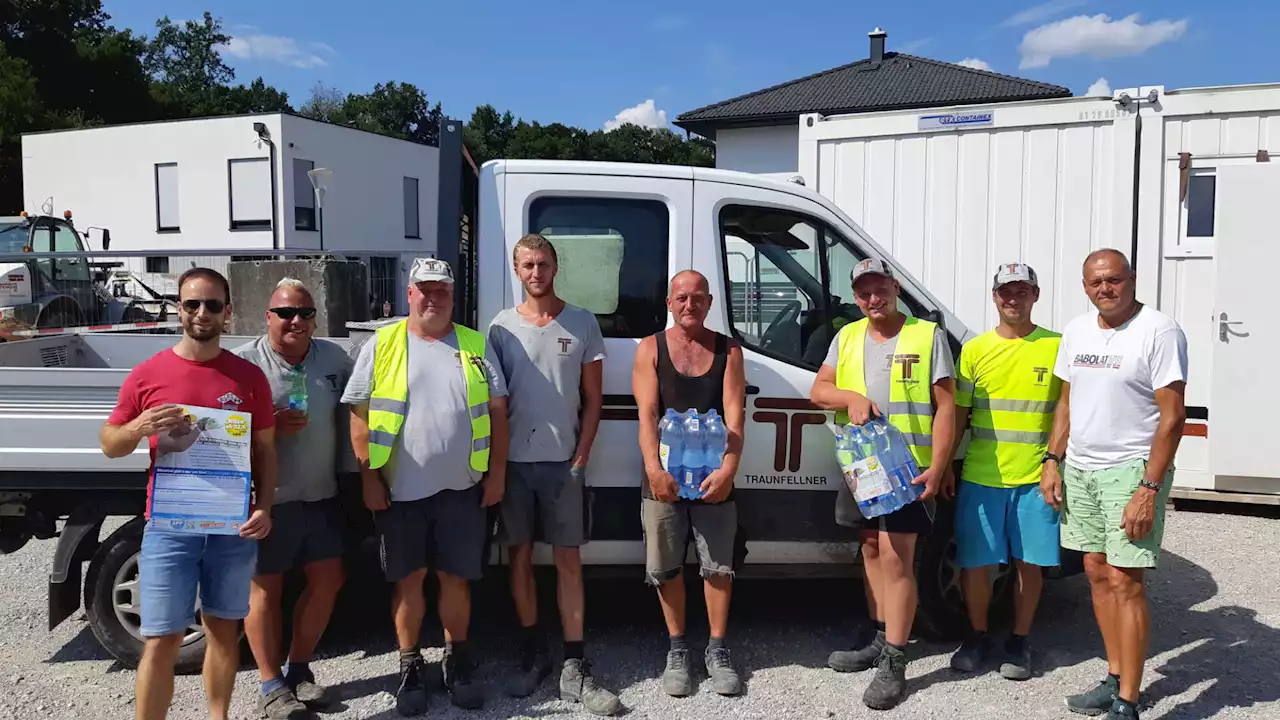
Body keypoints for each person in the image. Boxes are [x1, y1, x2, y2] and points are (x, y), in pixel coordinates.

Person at [99, 268, 277, 720]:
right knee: (162, 639)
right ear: (178, 309)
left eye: (213, 305)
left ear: (228, 312)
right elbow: (110, 444)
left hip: (230, 528)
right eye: (192, 304)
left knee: (223, 631)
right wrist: (139, 428)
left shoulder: (248, 378)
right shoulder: (148, 374)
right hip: (169, 528)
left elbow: (266, 451)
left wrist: (265, 506)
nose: (202, 313)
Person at [343, 257, 510, 716]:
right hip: (400, 492)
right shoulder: (383, 343)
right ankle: (411, 666)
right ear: (409, 294)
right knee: (408, 582)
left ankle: (458, 660)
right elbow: (358, 414)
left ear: (453, 297)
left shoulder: (474, 345)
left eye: (442, 290)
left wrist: (496, 474)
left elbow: (498, 413)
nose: (433, 297)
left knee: (457, 581)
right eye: (425, 289)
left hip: (463, 490)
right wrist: (369, 480)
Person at [1042, 249, 1187, 720]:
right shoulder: (1077, 330)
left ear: (1132, 279)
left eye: (1113, 280)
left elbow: (1172, 418)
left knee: (1126, 582)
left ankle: (1129, 699)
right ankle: (1114, 676)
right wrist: (1052, 458)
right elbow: (1066, 402)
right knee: (1096, 571)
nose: (1105, 289)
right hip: (1081, 468)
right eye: (1095, 282)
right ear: (1085, 287)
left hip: (1130, 471)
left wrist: (1149, 488)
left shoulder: (1159, 331)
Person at [809, 257, 955, 711]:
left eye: (881, 289)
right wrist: (850, 397)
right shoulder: (847, 335)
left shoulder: (927, 335)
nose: (874, 299)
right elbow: (819, 391)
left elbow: (947, 406)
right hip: (863, 468)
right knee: (871, 549)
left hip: (908, 468)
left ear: (895, 288)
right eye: (864, 292)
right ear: (855, 296)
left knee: (897, 560)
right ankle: (879, 635)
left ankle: (896, 655)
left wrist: (940, 464)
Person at [487, 234, 621, 715]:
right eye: (527, 265)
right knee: (518, 558)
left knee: (568, 563)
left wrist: (581, 457)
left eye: (543, 263)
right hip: (516, 468)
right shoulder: (500, 328)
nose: (536, 272)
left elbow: (594, 400)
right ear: (516, 270)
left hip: (565, 465)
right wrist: (497, 469)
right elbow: (494, 407)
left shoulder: (582, 322)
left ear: (555, 267)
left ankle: (574, 661)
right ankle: (531, 653)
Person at [234, 278, 354, 719]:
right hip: (269, 500)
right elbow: (217, 433)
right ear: (268, 317)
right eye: (285, 312)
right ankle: (269, 685)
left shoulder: (333, 358)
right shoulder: (245, 365)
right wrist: (264, 426)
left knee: (329, 581)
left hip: (322, 494)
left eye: (305, 313)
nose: (296, 321)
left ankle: (298, 671)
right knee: (266, 590)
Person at [631, 269, 747, 699]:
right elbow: (645, 417)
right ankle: (678, 649)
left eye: (698, 298)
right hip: (662, 478)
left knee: (718, 567)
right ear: (668, 303)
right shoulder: (650, 349)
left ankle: (717, 650)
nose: (689, 305)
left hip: (715, 477)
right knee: (665, 569)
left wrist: (729, 469)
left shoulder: (728, 351)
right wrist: (653, 472)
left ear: (710, 302)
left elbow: (736, 418)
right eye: (681, 298)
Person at [947, 263, 1063, 680]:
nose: (1013, 298)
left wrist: (1055, 462)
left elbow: (1067, 410)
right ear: (994, 297)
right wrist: (945, 466)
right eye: (1005, 292)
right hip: (981, 475)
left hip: (1036, 478)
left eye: (1022, 290)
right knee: (975, 564)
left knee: (1028, 564)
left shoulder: (1056, 345)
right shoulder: (975, 350)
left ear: (1036, 294)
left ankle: (1019, 640)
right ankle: (977, 636)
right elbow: (958, 414)